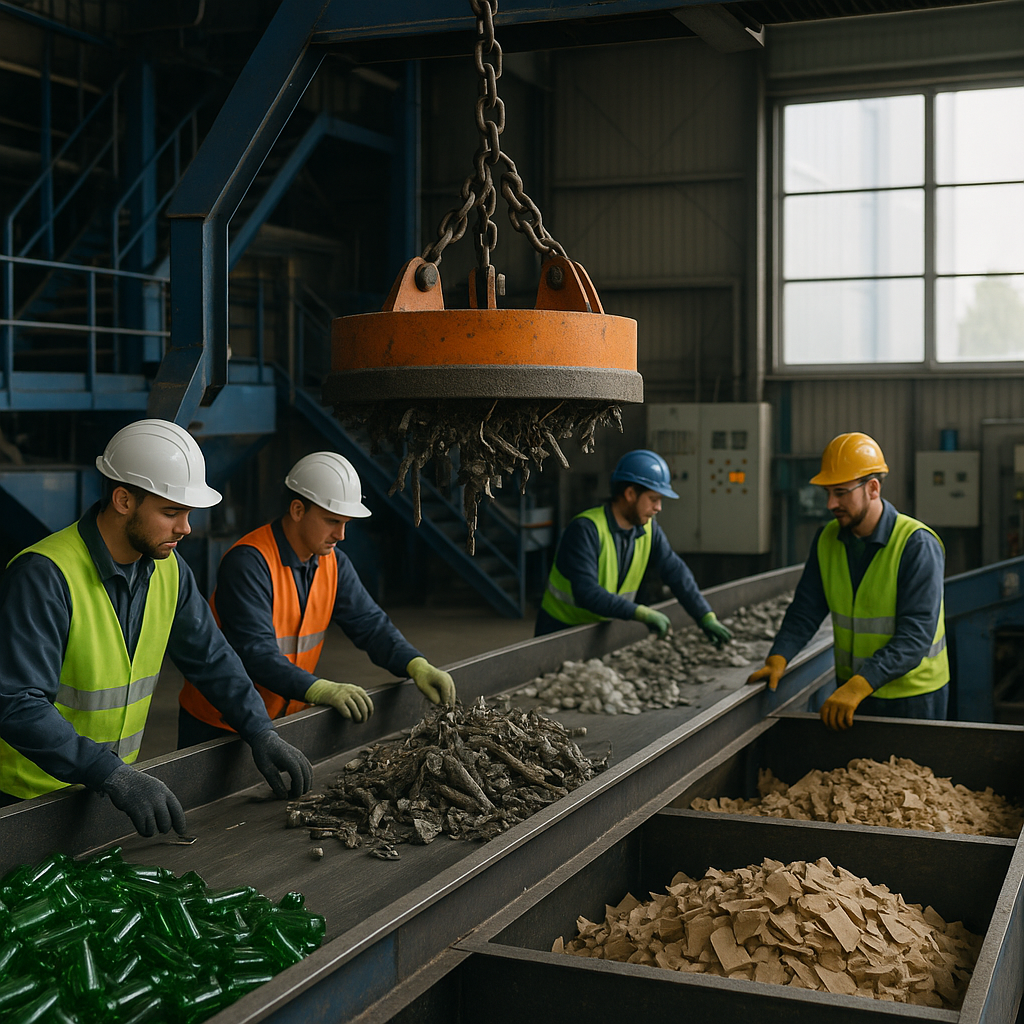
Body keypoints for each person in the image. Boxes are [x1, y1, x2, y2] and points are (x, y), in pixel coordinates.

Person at [0, 419, 312, 837]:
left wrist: (260, 730)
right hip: (27, 801)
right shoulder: (45, 576)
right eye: (171, 512)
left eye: (187, 513)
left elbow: (212, 659)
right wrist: (111, 773)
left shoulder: (169, 571)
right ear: (124, 499)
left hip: (106, 791)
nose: (186, 527)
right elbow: (17, 703)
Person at [177, 452, 456, 748]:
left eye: (346, 522)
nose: (341, 534)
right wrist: (320, 689)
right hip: (221, 724)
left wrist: (415, 664)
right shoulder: (249, 562)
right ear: (297, 509)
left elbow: (370, 624)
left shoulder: (334, 563)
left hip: (285, 719)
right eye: (332, 521)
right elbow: (255, 652)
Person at [747, 432, 948, 730]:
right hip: (855, 690)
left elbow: (915, 635)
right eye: (827, 493)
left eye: (840, 492)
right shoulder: (827, 538)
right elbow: (806, 607)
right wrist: (780, 655)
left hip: (912, 697)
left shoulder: (915, 544)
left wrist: (859, 686)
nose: (831, 503)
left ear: (873, 488)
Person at [535, 449, 732, 646]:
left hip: (600, 634)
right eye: (654, 499)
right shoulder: (585, 529)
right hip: (559, 633)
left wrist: (705, 615)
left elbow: (675, 572)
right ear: (630, 494)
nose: (658, 508)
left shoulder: (648, 529)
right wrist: (641, 612)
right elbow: (586, 592)